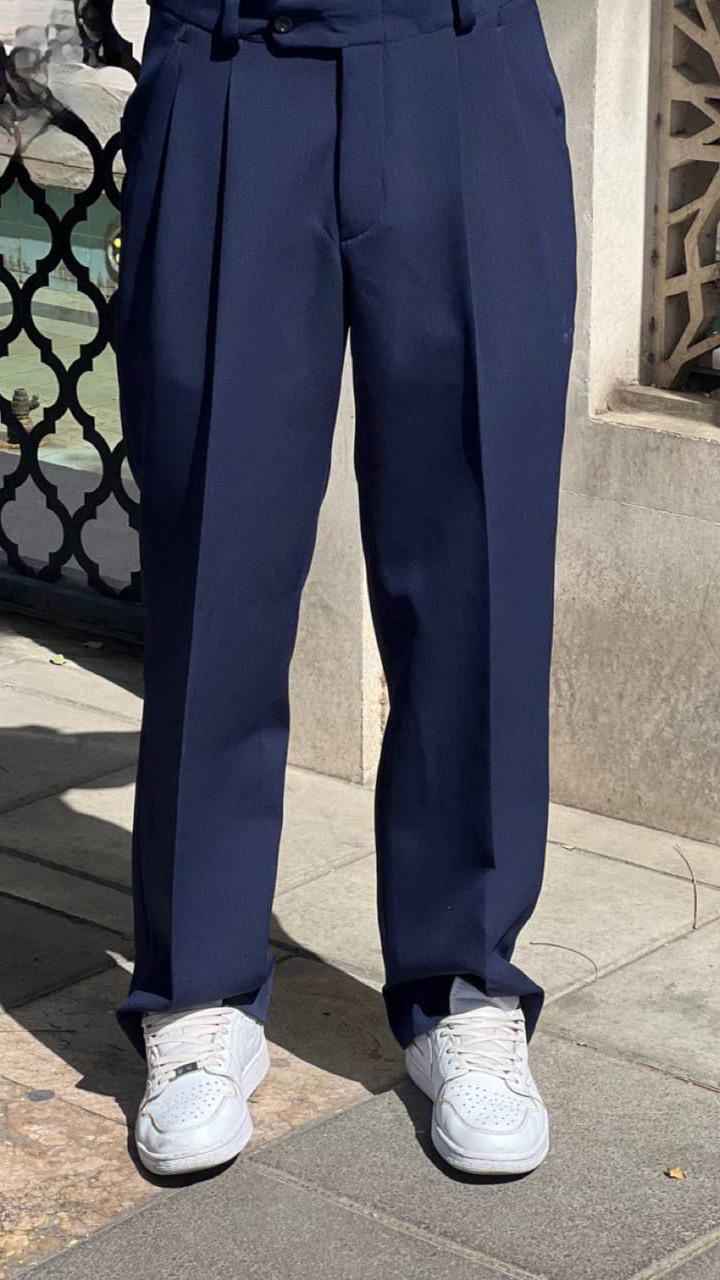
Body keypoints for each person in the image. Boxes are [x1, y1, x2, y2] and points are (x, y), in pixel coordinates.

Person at [115, 0, 577, 1178]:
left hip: (461, 58)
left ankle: (465, 981)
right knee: (215, 556)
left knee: (476, 558)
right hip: (230, 61)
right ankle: (199, 990)